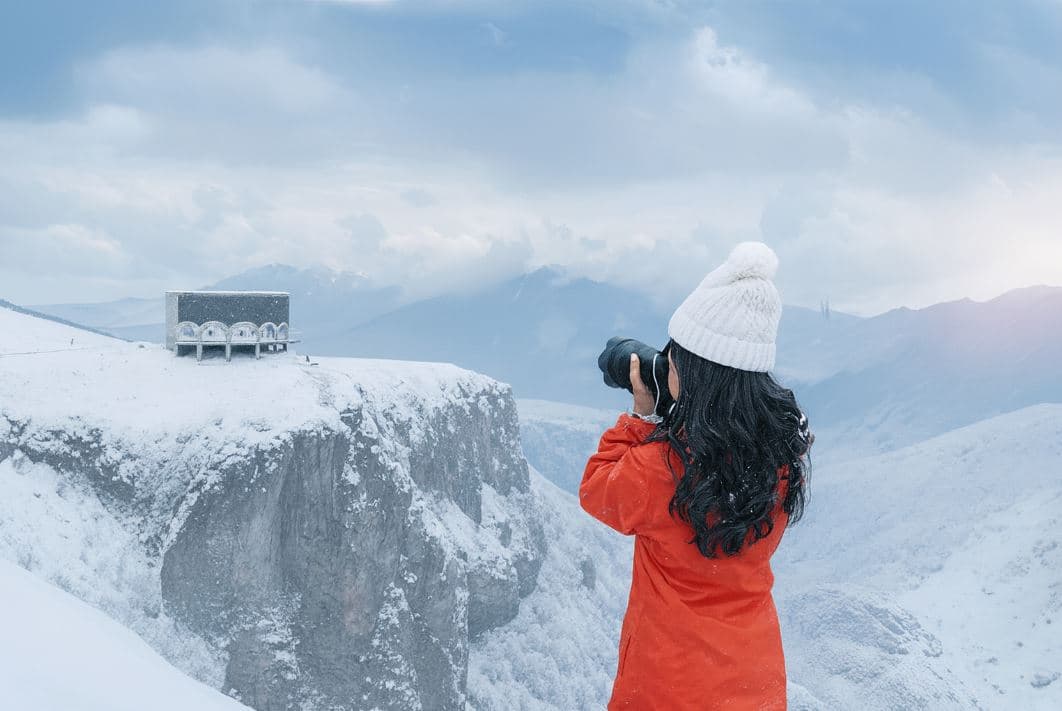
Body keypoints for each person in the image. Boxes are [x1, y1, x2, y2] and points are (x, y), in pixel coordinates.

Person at [580, 241, 812, 710]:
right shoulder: (782, 456)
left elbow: (598, 490)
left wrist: (642, 419)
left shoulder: (661, 468)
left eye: (676, 361)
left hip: (669, 685)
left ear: (698, 377)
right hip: (754, 681)